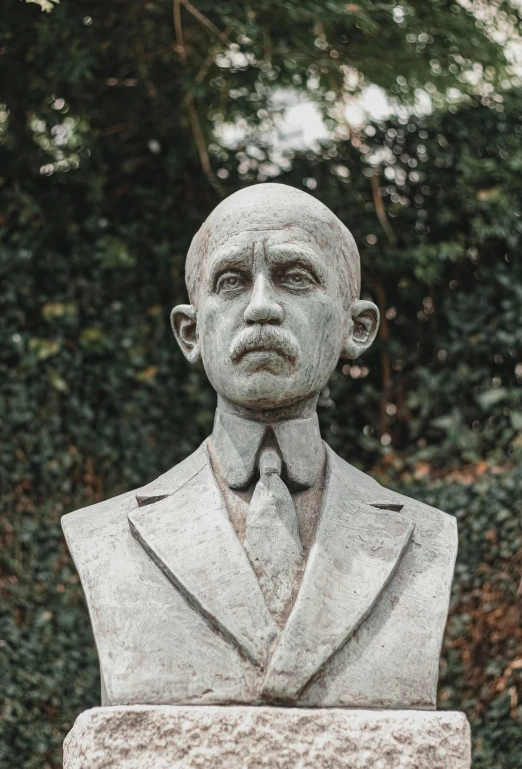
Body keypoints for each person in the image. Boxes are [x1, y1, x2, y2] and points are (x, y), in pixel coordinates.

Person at [62, 184, 457, 709]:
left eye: (295, 278)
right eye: (231, 281)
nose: (262, 307)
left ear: (356, 327)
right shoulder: (106, 536)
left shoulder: (426, 539)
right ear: (190, 333)